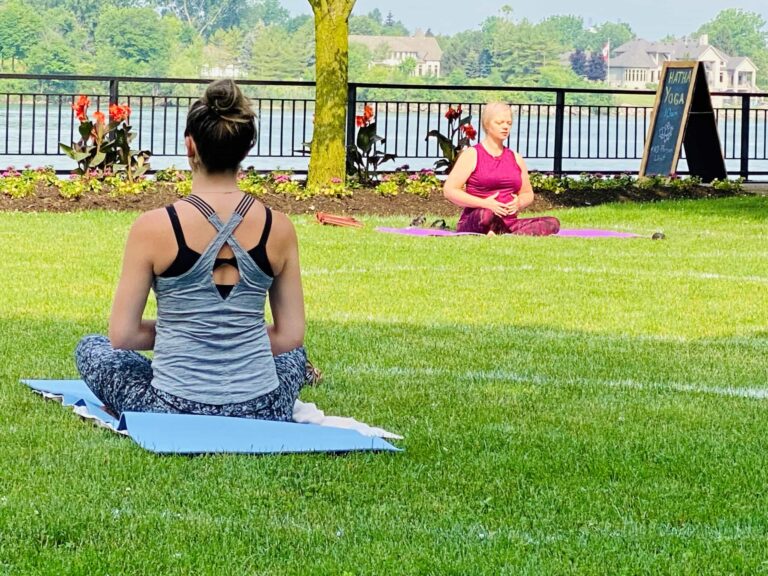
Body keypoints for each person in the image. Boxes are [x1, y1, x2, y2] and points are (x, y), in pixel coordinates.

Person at [75, 79, 311, 421]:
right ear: (246, 150)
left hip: (172, 406)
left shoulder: (154, 227)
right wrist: (227, 337)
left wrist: (186, 333)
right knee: (295, 357)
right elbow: (290, 336)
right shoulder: (279, 227)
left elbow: (122, 334)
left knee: (91, 348)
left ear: (190, 146)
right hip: (263, 409)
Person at [443, 102, 560, 236]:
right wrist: (485, 204)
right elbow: (450, 191)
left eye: (509, 123)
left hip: (509, 222)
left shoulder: (516, 158)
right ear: (487, 124)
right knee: (486, 215)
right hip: (481, 217)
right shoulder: (472, 154)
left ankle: (504, 234)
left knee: (552, 223)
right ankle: (500, 232)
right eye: (499, 123)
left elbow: (528, 193)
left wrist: (519, 203)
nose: (505, 127)